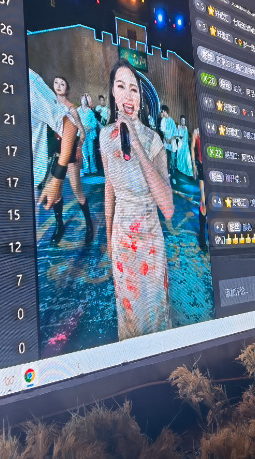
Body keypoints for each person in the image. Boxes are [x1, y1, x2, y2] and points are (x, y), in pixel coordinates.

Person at [101, 60, 175, 340]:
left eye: (134, 89)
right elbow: (109, 187)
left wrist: (135, 141)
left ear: (141, 98)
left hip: (150, 240)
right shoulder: (104, 137)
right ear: (113, 93)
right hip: (122, 239)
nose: (128, 95)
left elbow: (167, 207)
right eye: (121, 87)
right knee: (130, 314)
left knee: (154, 312)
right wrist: (109, 239)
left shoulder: (154, 141)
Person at [30, 72, 93, 249]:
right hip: (54, 153)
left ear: (67, 89)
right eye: (56, 83)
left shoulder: (71, 109)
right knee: (55, 192)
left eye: (62, 84)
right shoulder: (47, 104)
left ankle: (89, 223)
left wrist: (78, 148)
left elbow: (81, 131)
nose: (58, 86)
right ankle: (59, 225)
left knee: (76, 188)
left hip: (70, 152)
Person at [77, 95, 100, 176]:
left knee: (91, 151)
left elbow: (94, 123)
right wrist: (81, 127)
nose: (84, 101)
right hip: (82, 134)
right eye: (82, 100)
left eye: (85, 100)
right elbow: (75, 121)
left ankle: (93, 167)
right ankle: (86, 168)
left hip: (89, 134)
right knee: (84, 152)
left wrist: (89, 127)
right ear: (80, 100)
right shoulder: (78, 111)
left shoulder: (90, 111)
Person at [158, 105, 176, 174]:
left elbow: (175, 132)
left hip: (172, 142)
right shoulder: (163, 120)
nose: (161, 113)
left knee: (172, 157)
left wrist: (171, 139)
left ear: (165, 111)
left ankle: (173, 171)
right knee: (165, 157)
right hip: (166, 142)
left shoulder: (171, 121)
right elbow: (163, 131)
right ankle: (166, 171)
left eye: (162, 111)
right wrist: (166, 139)